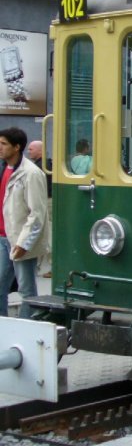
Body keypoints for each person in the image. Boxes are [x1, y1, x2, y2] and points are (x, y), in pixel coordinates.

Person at [0, 127, 49, 319]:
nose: (0, 148)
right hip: (3, 237)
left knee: (26, 288)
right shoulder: (4, 167)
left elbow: (37, 213)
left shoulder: (32, 173)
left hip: (19, 240)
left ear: (17, 147)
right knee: (1, 286)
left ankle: (27, 324)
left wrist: (24, 243)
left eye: (4, 144)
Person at [27, 140, 52, 278]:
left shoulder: (41, 167)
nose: (28, 151)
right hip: (44, 201)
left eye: (31, 149)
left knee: (48, 234)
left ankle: (51, 265)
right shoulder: (43, 165)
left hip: (46, 202)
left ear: (40, 151)